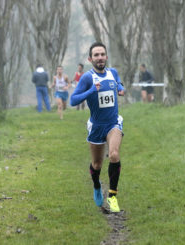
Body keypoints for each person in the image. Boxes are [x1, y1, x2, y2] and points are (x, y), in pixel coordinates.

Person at [70, 42, 125, 213]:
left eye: (102, 54)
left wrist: (121, 88)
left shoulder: (112, 72)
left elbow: (118, 82)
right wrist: (91, 91)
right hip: (96, 126)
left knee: (114, 154)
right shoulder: (88, 78)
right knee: (97, 164)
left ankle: (113, 196)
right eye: (96, 55)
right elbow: (73, 100)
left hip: (113, 122)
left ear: (106, 57)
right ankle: (96, 186)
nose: (100, 58)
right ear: (90, 59)